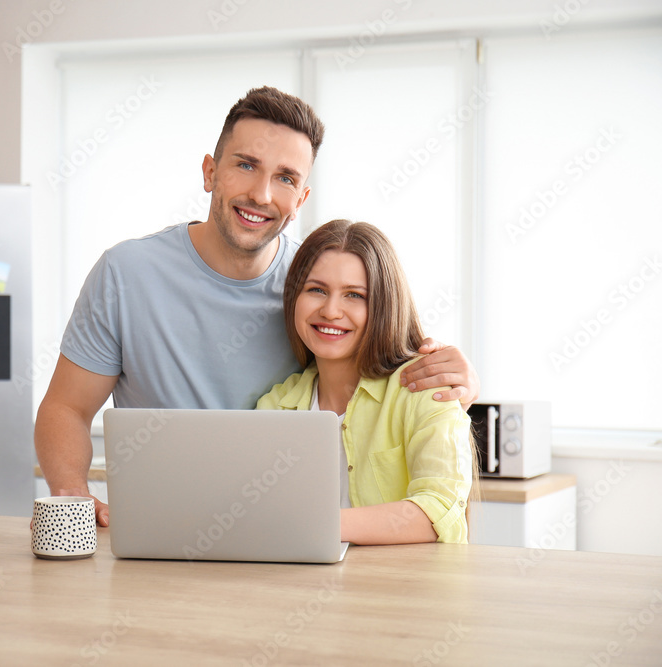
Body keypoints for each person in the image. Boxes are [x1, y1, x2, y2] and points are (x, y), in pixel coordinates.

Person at [35, 87, 480, 527]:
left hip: (273, 540)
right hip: (161, 536)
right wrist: (73, 496)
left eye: (286, 177)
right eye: (245, 165)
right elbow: (67, 409)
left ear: (301, 199)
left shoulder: (314, 285)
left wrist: (459, 377)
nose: (262, 194)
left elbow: (387, 353)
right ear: (210, 172)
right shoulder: (125, 274)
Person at [257, 219, 476, 544]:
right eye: (316, 290)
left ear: (384, 306)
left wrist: (312, 524)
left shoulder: (425, 389)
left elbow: (439, 510)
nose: (331, 311)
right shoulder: (274, 407)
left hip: (400, 590)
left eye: (354, 295)